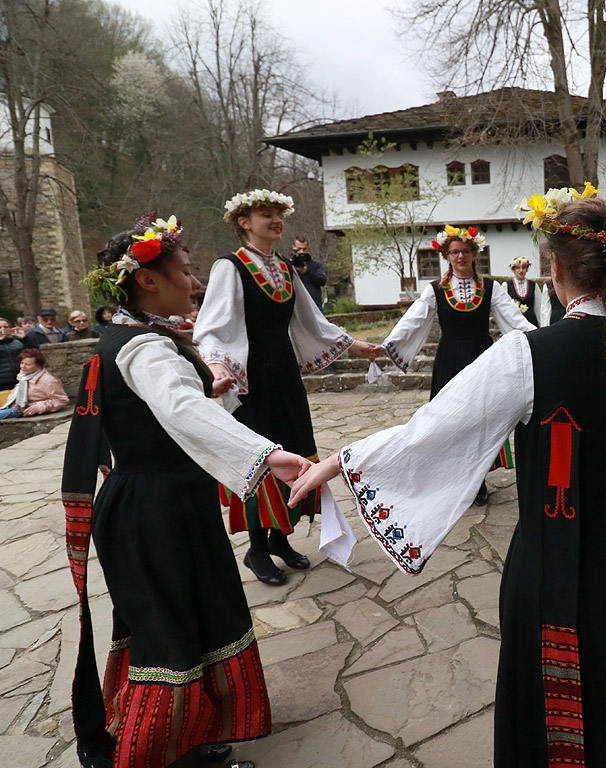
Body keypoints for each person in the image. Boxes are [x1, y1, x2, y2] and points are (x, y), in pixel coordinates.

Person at [289, 190, 606, 768]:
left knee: (558, 725)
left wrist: (338, 460)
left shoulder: (526, 355)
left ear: (554, 268)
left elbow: (429, 431)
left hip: (559, 581)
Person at [65, 213, 310, 768]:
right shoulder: (145, 348)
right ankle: (159, 753)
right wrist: (267, 455)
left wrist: (210, 385)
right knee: (170, 631)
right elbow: (178, 407)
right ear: (148, 280)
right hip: (157, 510)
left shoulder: (134, 338)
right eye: (184, 270)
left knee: (182, 618)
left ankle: (187, 739)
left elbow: (165, 406)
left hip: (155, 503)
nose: (194, 282)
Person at [194, 190, 375, 586]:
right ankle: (257, 548)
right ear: (244, 222)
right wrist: (215, 367)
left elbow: (313, 324)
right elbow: (212, 327)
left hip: (284, 378)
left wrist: (357, 346)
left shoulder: (285, 268)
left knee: (293, 450)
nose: (276, 219)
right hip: (252, 381)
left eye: (278, 213)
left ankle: (280, 537)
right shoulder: (230, 266)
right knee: (261, 457)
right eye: (266, 214)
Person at [379, 223, 535, 505]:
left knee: (482, 418)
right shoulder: (435, 290)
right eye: (454, 252)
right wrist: (388, 344)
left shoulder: (490, 287)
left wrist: (542, 339)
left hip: (482, 358)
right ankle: (452, 477)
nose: (460, 256)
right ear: (447, 256)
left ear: (475, 254)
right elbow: (413, 320)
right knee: (450, 417)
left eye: (465, 251)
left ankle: (478, 479)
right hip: (450, 359)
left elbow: (514, 320)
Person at [0, 348, 69, 420]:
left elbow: (61, 400)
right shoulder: (23, 376)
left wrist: (39, 407)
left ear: (38, 366)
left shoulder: (48, 381)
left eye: (27, 364)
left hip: (24, 409)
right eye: (22, 363)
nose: (23, 367)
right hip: (11, 405)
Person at [290, 236, 327, 311]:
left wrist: (307, 272)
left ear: (308, 249)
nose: (301, 252)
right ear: (293, 248)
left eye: (304, 249)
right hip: (296, 305)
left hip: (314, 304)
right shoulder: (288, 265)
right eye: (299, 249)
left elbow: (322, 281)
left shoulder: (316, 265)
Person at [504, 256, 540, 326]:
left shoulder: (533, 285)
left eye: (523, 268)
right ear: (513, 270)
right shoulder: (507, 285)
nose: (521, 271)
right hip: (514, 321)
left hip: (531, 321)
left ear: (527, 269)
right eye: (518, 268)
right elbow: (505, 307)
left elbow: (538, 308)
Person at [0, 317, 27, 393]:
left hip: (19, 382)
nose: (2, 330)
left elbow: (34, 353)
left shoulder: (17, 342)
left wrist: (24, 338)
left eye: (5, 327)